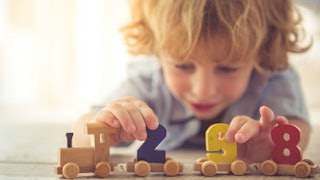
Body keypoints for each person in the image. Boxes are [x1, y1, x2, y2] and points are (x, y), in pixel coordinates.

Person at [73, 0, 312, 163]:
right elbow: (82, 131)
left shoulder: (273, 76)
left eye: (228, 68)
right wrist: (105, 127)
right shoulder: (148, 81)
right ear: (157, 50)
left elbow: (296, 129)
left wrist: (270, 145)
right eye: (182, 65)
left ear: (262, 54)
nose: (203, 90)